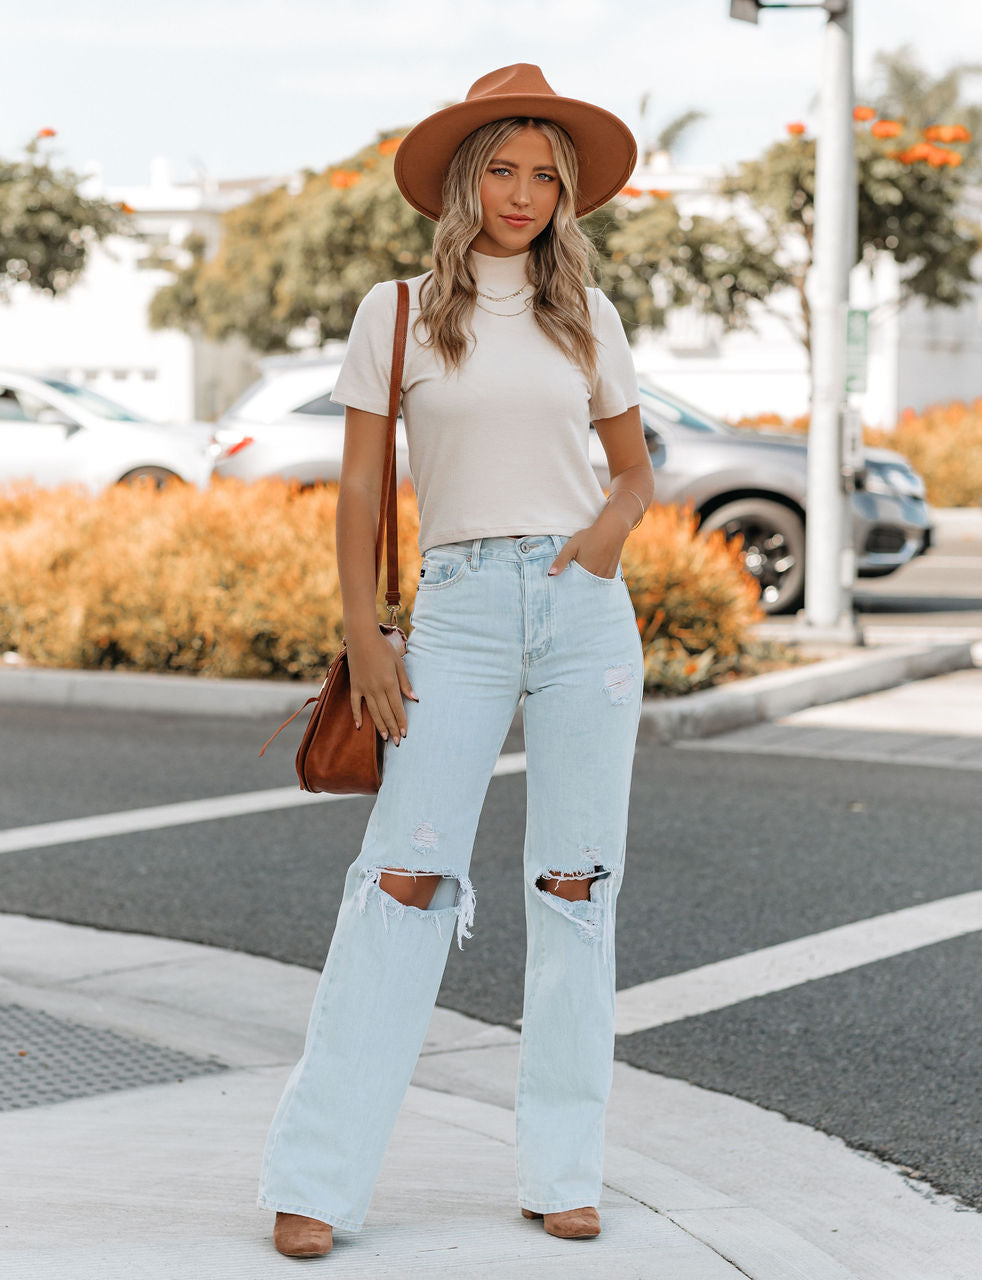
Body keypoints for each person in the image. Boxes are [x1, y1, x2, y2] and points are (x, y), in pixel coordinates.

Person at [257, 63, 654, 1259]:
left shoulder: (586, 311)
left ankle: (562, 1166)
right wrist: (364, 631)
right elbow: (365, 486)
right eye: (503, 168)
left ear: (565, 191)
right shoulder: (396, 312)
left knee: (577, 887)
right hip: (463, 608)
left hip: (584, 611)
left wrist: (593, 552)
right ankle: (317, 1177)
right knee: (403, 879)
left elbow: (635, 472)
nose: (524, 192)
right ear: (463, 179)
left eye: (546, 174)